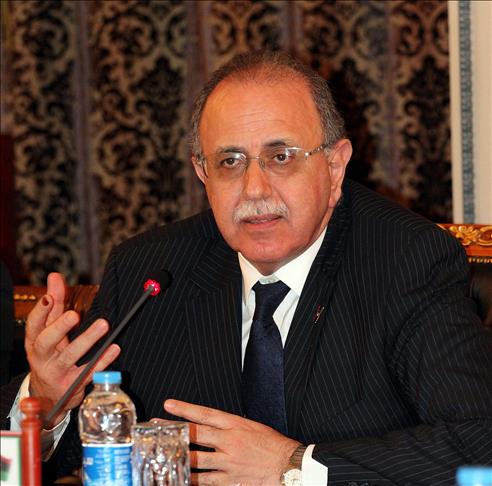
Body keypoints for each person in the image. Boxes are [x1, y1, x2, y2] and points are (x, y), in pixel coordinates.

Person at [2, 51, 492, 485]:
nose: (255, 189)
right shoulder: (150, 271)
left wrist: (294, 465)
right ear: (202, 173)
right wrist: (48, 405)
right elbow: (82, 453)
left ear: (335, 166)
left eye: (281, 156)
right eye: (230, 162)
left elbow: (478, 441)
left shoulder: (406, 258)